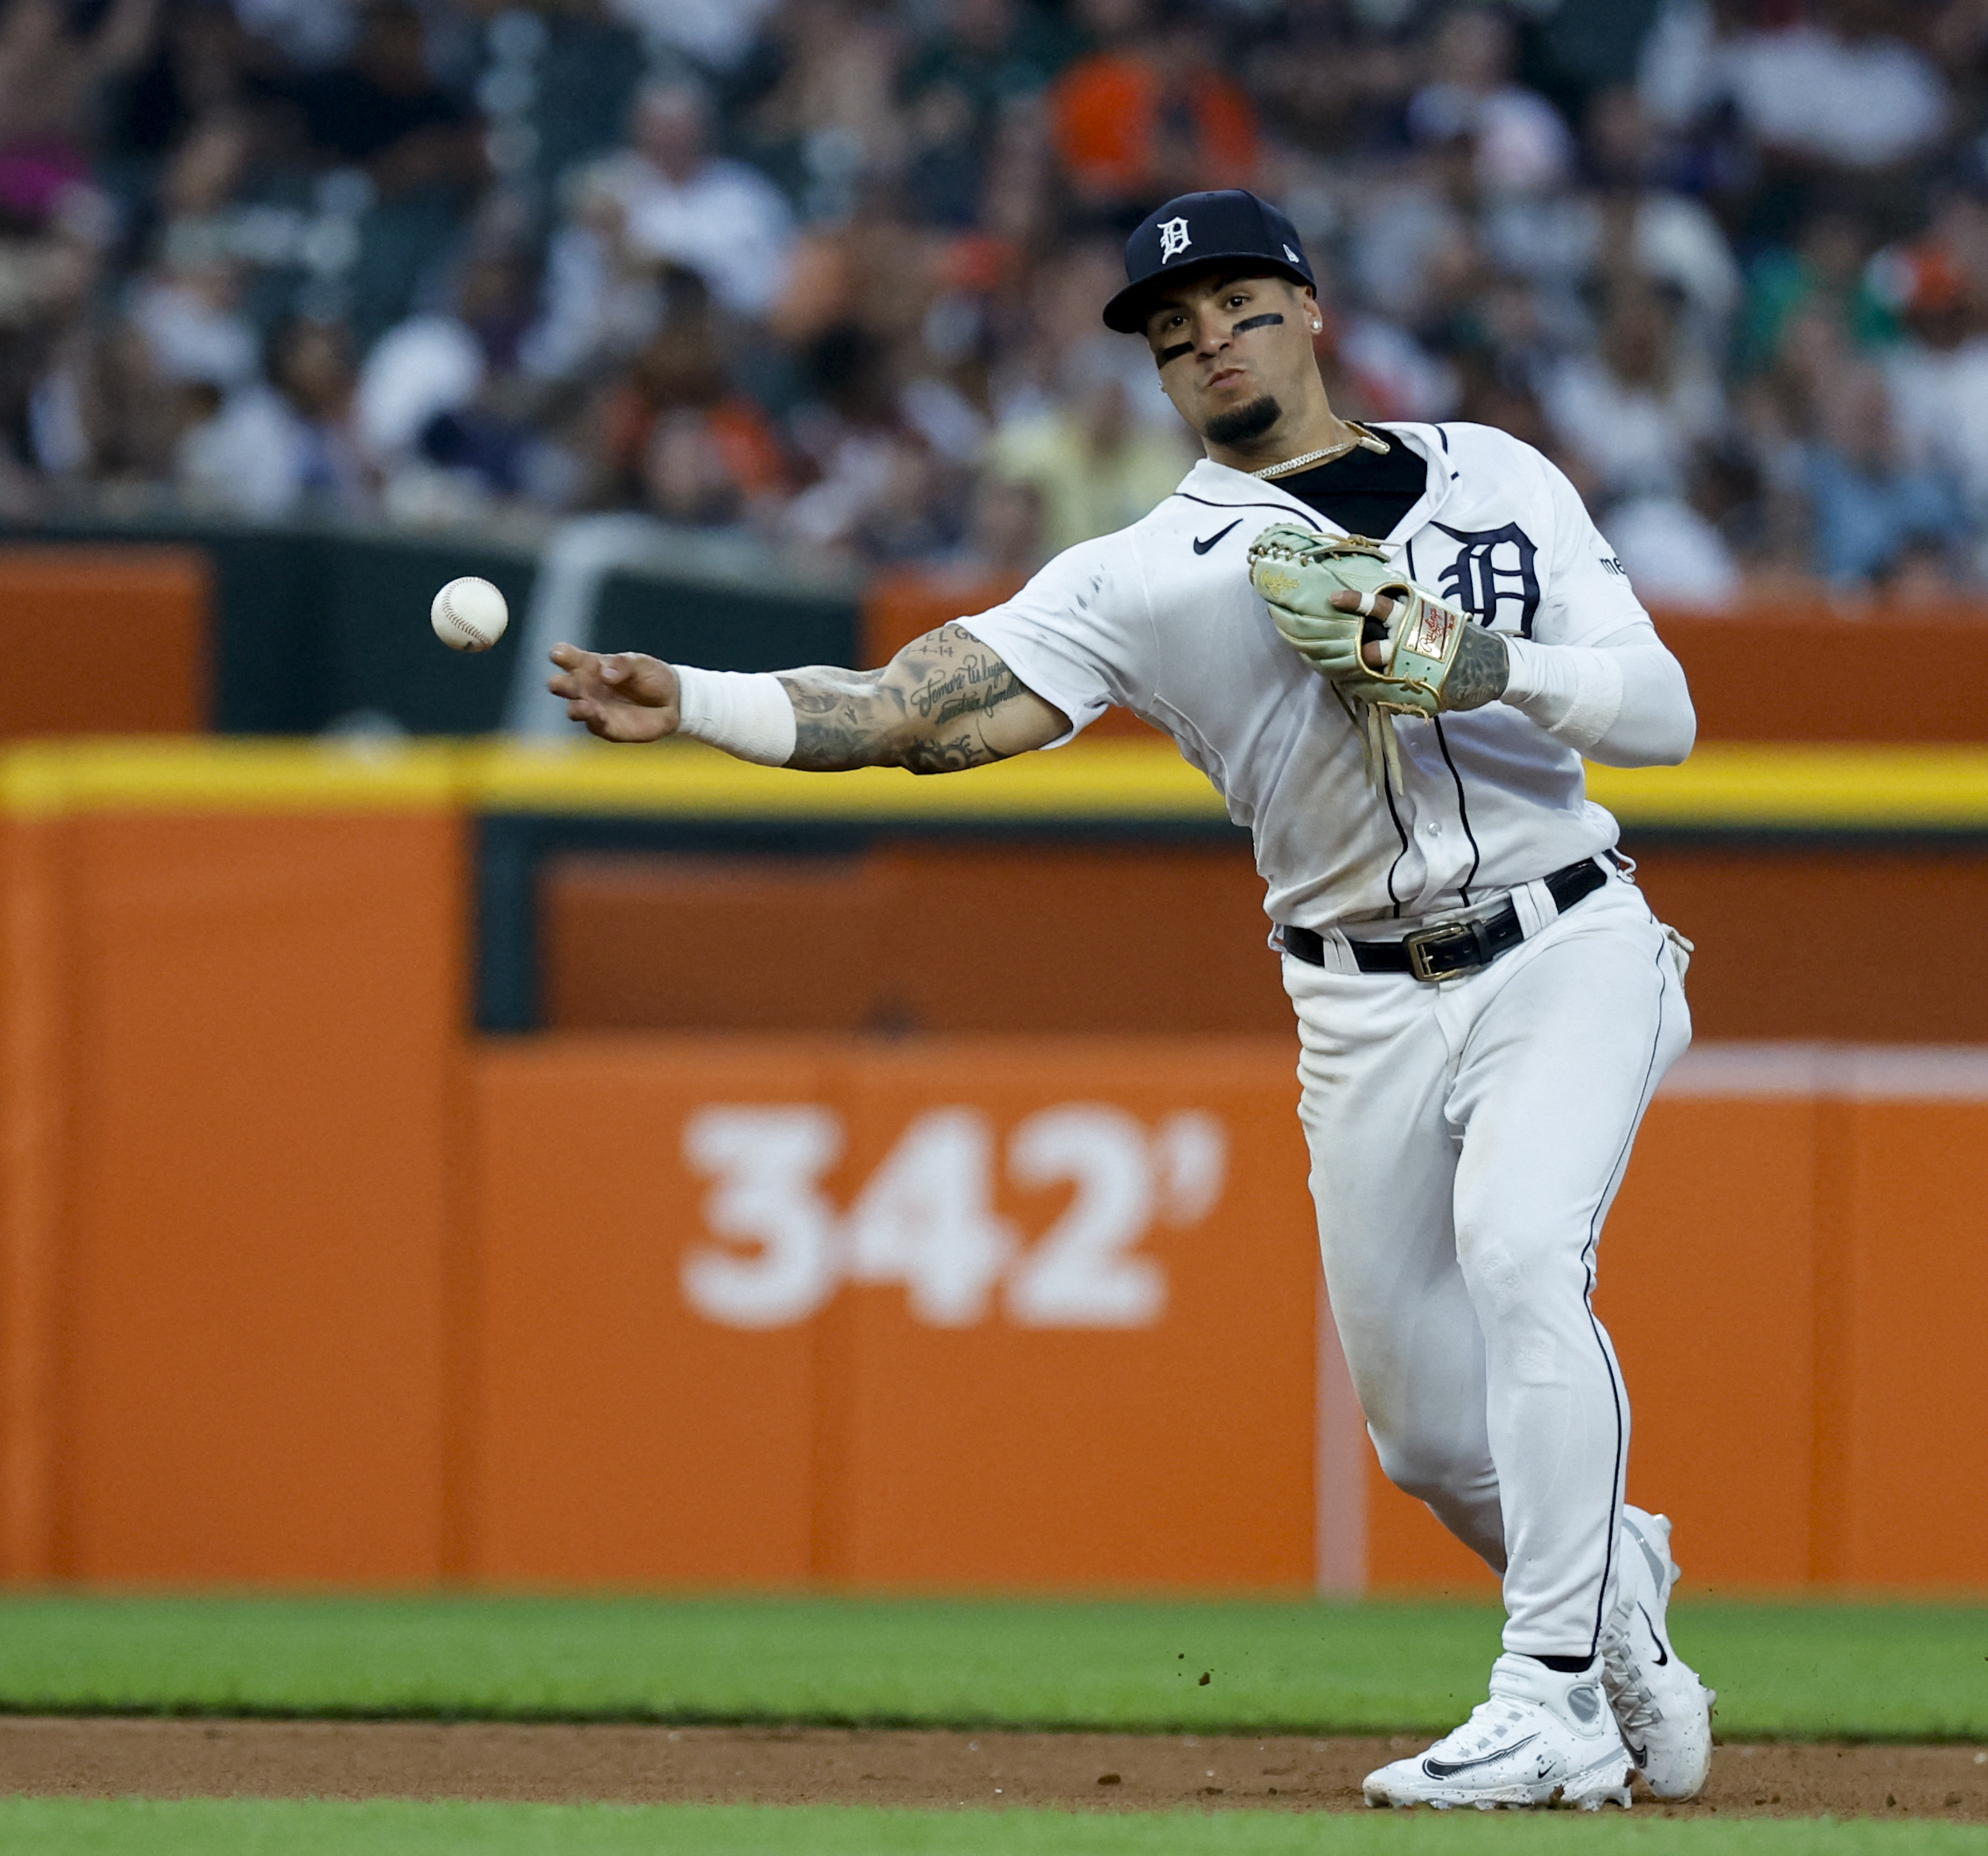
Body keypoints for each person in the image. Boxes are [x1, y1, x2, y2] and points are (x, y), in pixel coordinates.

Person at [547, 189, 1714, 1813]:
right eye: (1171, 332)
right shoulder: (1152, 570)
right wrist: (700, 706)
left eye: (1232, 304)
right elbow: (909, 711)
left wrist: (1477, 664)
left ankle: (1556, 1696)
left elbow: (1664, 710)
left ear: (1307, 310)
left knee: (1525, 1251)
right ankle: (1620, 1601)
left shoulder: (1497, 472)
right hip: (1357, 999)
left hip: (1567, 938)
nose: (1204, 340)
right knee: (1430, 1444)